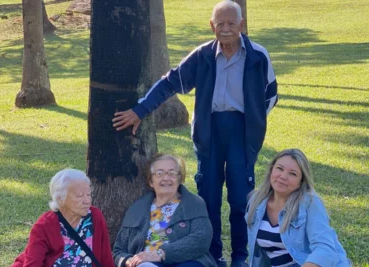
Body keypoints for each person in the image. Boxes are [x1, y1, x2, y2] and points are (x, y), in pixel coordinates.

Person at [112, 1, 277, 266]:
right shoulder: (202, 56)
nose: (225, 29)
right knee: (208, 197)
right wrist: (141, 110)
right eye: (219, 24)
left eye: (231, 23)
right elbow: (170, 83)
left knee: (239, 198)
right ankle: (212, 256)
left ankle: (240, 258)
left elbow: (271, 95)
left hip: (241, 134)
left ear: (241, 25)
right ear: (212, 26)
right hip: (209, 133)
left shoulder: (258, 56)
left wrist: (253, 122)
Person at [245, 149, 351, 267]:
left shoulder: (310, 203)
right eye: (279, 168)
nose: (283, 176)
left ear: (301, 182)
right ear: (271, 170)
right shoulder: (257, 201)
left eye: (293, 174)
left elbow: (325, 248)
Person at [113, 154, 216, 267]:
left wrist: (163, 253)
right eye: (159, 173)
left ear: (179, 179)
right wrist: (129, 261)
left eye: (172, 173)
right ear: (151, 181)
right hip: (149, 263)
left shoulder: (194, 203)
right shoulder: (137, 209)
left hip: (187, 261)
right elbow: (118, 250)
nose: (166, 178)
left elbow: (201, 239)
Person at [12, 169, 114, 267]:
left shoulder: (95, 217)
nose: (87, 201)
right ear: (60, 199)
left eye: (88, 194)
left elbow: (106, 259)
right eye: (80, 196)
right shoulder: (44, 226)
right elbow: (33, 264)